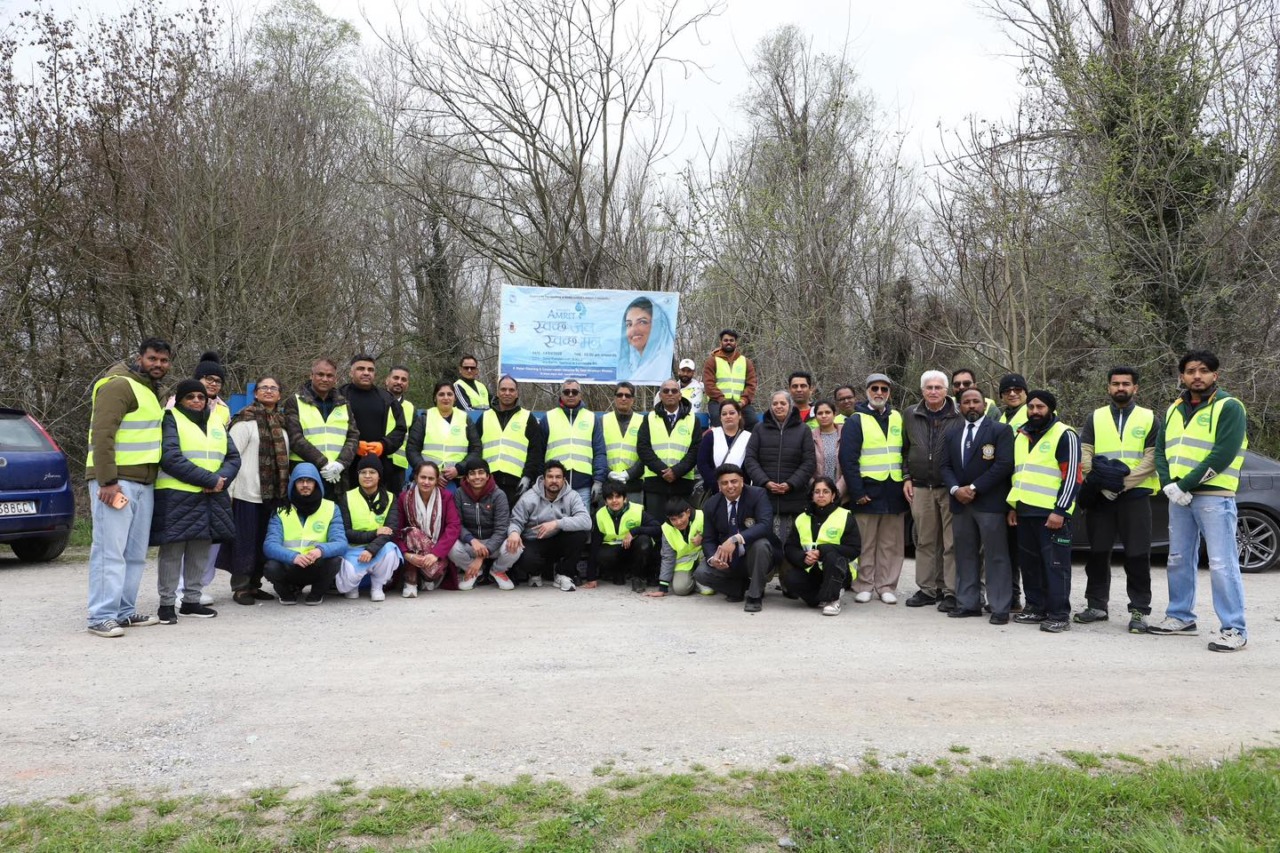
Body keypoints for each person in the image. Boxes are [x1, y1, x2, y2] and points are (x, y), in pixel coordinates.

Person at [1150, 351, 1250, 652]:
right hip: (1178, 496)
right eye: (1191, 371)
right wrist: (1169, 484)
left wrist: (1184, 484)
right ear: (1182, 376)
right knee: (1178, 558)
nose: (1197, 376)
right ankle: (1180, 616)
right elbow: (1161, 450)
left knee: (1221, 563)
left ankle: (1234, 628)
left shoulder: (1229, 407)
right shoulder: (1174, 408)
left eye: (1204, 370)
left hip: (1214, 495)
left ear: (1215, 375)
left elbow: (1223, 453)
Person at [85, 337, 172, 638]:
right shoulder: (118, 385)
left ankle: (123, 611)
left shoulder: (149, 390)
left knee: (134, 553)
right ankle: (101, 615)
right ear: (140, 358)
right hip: (116, 481)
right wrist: (108, 481)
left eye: (163, 360)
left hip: (143, 482)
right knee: (110, 551)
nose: (158, 365)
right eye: (152, 359)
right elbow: (103, 434)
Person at [1075, 367, 1159, 633]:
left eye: (1125, 384)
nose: (1120, 388)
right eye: (1115, 384)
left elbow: (1152, 458)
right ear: (1108, 387)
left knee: (1137, 554)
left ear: (1136, 388)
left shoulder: (1149, 418)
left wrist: (1121, 484)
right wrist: (1100, 483)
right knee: (1098, 553)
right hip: (1101, 498)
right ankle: (1097, 605)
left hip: (1135, 495)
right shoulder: (1095, 417)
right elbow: (1085, 453)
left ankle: (1139, 610)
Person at [151, 378, 241, 623]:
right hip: (178, 495)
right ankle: (167, 604)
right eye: (190, 397)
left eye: (201, 397)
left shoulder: (216, 421)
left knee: (200, 550)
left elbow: (233, 457)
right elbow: (170, 457)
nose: (197, 401)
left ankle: (191, 600)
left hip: (212, 496)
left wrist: (222, 479)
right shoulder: (170, 419)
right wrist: (210, 480)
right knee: (172, 552)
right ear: (180, 400)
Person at [1008, 390, 1082, 634]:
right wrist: (1013, 506)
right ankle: (1035, 607)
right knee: (1030, 565)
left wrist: (1060, 510)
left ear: (1050, 408)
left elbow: (1072, 476)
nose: (1035, 411)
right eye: (1031, 407)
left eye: (1040, 407)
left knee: (1056, 565)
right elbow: (1018, 475)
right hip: (1025, 511)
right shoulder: (1022, 435)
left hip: (1053, 514)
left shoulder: (1065, 434)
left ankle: (1059, 614)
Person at [940, 387, 1014, 623]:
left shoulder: (1000, 430)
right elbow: (944, 466)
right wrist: (955, 489)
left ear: (984, 405)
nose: (971, 406)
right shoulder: (952, 433)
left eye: (976, 401)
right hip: (960, 504)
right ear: (960, 406)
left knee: (996, 556)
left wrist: (973, 488)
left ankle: (1000, 606)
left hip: (989, 503)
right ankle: (968, 603)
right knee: (965, 555)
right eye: (966, 402)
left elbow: (1003, 465)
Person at [839, 373, 909, 605]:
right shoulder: (856, 420)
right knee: (866, 542)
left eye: (884, 389)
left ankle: (886, 585)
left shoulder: (898, 417)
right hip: (867, 491)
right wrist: (857, 492)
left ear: (889, 393)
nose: (879, 393)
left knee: (891, 543)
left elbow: (906, 453)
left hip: (894, 490)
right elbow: (848, 460)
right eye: (875, 388)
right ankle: (865, 584)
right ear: (867, 391)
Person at [221, 375, 290, 606]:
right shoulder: (244, 421)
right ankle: (240, 587)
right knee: (244, 542)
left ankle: (255, 584)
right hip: (246, 493)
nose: (269, 391)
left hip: (273, 496)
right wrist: (228, 492)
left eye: (274, 388)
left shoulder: (283, 422)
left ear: (280, 394)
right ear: (256, 393)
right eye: (264, 388)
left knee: (263, 542)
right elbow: (230, 458)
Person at [902, 370, 963, 612]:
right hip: (920, 487)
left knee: (951, 543)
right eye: (929, 387)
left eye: (938, 387)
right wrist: (906, 477)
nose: (934, 391)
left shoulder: (958, 415)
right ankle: (927, 589)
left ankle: (950, 591)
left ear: (947, 391)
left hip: (949, 487)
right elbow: (904, 449)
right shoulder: (910, 414)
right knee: (925, 540)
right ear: (922, 390)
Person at [744, 391, 816, 587]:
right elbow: (750, 460)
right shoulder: (759, 429)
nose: (778, 406)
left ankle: (788, 583)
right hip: (765, 497)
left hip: (794, 498)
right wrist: (765, 482)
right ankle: (762, 580)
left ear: (790, 405)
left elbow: (809, 462)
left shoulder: (803, 430)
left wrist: (791, 483)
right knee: (766, 542)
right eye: (775, 403)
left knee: (790, 544)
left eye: (783, 403)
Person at [262, 463, 348, 605]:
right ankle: (286, 594)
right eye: (300, 481)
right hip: (290, 565)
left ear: (317, 483)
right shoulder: (281, 510)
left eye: (310, 480)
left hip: (316, 564)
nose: (305, 484)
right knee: (271, 567)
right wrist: (293, 557)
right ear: (293, 484)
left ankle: (317, 593)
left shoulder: (331, 507)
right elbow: (269, 545)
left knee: (335, 561)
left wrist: (320, 551)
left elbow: (341, 543)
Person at [693, 464, 775, 612]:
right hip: (729, 561)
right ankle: (739, 588)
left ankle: (754, 596)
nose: (730, 486)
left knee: (761, 544)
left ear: (742, 481)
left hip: (755, 557)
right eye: (725, 483)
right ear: (719, 486)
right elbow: (709, 538)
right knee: (701, 572)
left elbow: (765, 525)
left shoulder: (758, 494)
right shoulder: (711, 504)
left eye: (734, 481)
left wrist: (735, 539)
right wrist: (713, 559)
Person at [505, 461, 592, 590]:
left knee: (579, 535)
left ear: (564, 479)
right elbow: (515, 521)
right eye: (550, 477)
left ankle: (563, 574)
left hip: (558, 539)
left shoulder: (572, 496)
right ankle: (535, 573)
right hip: (534, 540)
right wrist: (514, 533)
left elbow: (586, 521)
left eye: (558, 477)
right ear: (543, 479)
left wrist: (556, 523)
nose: (554, 480)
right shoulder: (529, 497)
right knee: (523, 555)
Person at [783, 477, 860, 615]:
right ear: (812, 495)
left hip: (839, 571)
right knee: (791, 579)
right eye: (817, 491)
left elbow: (854, 549)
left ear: (833, 495)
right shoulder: (801, 518)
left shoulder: (845, 516)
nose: (821, 495)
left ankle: (833, 599)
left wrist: (822, 550)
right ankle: (819, 598)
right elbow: (790, 547)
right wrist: (803, 557)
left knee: (831, 557)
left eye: (825, 491)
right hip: (812, 570)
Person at [283, 358, 359, 496]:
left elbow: (353, 436)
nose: (325, 379)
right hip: (305, 472)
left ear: (335, 379)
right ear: (311, 375)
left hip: (337, 474)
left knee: (334, 515)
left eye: (329, 375)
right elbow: (295, 438)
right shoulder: (295, 401)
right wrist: (323, 463)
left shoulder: (343, 404)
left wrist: (341, 463)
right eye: (320, 374)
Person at [335, 456, 402, 602]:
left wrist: (371, 549)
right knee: (346, 587)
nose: (367, 476)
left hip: (377, 547)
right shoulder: (347, 497)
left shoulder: (390, 498)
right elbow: (345, 532)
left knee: (391, 550)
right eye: (363, 472)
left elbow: (391, 531)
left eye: (372, 472)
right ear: (357, 475)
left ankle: (377, 586)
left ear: (379, 476)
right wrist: (374, 533)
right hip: (353, 548)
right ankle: (354, 585)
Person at [449, 459, 520, 591]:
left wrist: (481, 557)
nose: (477, 477)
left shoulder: (498, 495)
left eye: (481, 473)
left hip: (494, 543)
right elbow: (456, 524)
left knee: (516, 545)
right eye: (472, 473)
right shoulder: (459, 493)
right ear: (467, 478)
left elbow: (501, 528)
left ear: (488, 476)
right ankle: (475, 571)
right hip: (471, 543)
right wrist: (472, 540)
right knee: (450, 546)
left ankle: (498, 570)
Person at [339, 354, 407, 491]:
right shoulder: (339, 396)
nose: (366, 373)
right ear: (351, 372)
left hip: (379, 466)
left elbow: (401, 429)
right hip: (345, 467)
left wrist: (384, 445)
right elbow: (329, 428)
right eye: (361, 369)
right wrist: (353, 446)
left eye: (370, 370)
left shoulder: (387, 398)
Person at [393, 461, 462, 595]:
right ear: (416, 478)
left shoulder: (445, 497)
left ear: (437, 480)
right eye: (423, 477)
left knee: (433, 572)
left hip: (436, 553)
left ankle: (426, 577)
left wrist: (435, 554)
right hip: (411, 552)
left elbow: (453, 526)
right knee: (412, 532)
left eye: (431, 478)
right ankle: (411, 578)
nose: (426, 482)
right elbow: (397, 529)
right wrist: (407, 554)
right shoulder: (404, 498)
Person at [637, 379, 702, 520]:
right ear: (660, 395)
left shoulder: (693, 420)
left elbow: (695, 450)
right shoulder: (649, 418)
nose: (670, 394)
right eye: (666, 391)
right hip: (655, 483)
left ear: (680, 395)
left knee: (681, 528)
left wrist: (676, 471)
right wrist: (663, 471)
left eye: (674, 390)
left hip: (682, 483)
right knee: (655, 528)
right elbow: (643, 448)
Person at [479, 375, 546, 509]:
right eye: (503, 389)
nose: (507, 393)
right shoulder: (485, 417)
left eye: (511, 390)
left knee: (514, 525)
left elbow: (535, 451)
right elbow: (475, 449)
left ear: (517, 393)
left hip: (517, 485)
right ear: (497, 392)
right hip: (488, 483)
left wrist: (527, 476)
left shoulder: (528, 418)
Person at [587, 481, 660, 591]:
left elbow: (658, 529)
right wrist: (591, 577)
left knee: (644, 542)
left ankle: (638, 578)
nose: (614, 501)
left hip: (634, 550)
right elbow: (595, 545)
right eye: (610, 498)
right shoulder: (600, 515)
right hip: (615, 552)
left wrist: (634, 531)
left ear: (625, 498)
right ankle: (617, 572)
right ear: (606, 501)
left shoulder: (636, 511)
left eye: (618, 497)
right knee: (602, 554)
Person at [406, 381, 482, 487]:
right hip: (428, 481)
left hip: (458, 481)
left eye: (449, 394)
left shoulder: (465, 419)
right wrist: (429, 473)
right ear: (435, 398)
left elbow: (476, 449)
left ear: (455, 398)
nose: (446, 397)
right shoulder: (424, 418)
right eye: (441, 394)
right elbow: (412, 449)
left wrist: (459, 469)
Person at [997, 372, 1030, 611]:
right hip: (1003, 490)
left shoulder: (1035, 415)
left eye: (1017, 389)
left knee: (1025, 551)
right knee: (1008, 550)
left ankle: (1035, 601)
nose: (1012, 393)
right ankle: (1013, 597)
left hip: (1026, 491)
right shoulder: (1001, 419)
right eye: (1007, 390)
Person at [544, 379, 605, 509]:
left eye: (574, 392)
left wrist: (598, 481)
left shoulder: (592, 418)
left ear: (580, 395)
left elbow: (599, 452)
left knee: (581, 526)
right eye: (566, 392)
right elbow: (538, 452)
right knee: (554, 526)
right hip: (554, 486)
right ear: (561, 395)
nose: (570, 395)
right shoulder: (548, 417)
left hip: (583, 485)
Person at [648, 497, 705, 597]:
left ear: (688, 512)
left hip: (703, 556)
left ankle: (702, 579)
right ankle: (696, 580)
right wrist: (663, 588)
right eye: (673, 519)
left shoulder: (702, 516)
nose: (678, 522)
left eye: (681, 516)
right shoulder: (666, 529)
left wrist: (703, 537)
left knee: (708, 589)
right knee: (680, 589)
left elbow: (717, 535)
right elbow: (668, 557)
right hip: (685, 562)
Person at [599, 381, 645, 502]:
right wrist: (608, 473)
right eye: (619, 395)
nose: (623, 398)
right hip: (608, 484)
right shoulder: (603, 421)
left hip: (634, 485)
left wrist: (629, 474)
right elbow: (597, 452)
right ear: (614, 398)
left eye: (627, 395)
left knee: (633, 520)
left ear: (633, 399)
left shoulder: (643, 421)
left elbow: (646, 453)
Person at [696, 399, 752, 497]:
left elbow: (751, 465)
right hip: (715, 491)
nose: (728, 416)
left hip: (742, 492)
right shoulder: (711, 435)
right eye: (724, 414)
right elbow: (702, 463)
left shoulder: (749, 437)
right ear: (720, 417)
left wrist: (739, 485)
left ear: (739, 415)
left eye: (732, 413)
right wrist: (717, 484)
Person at [702, 329, 758, 427]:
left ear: (736, 343)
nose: (728, 342)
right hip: (717, 402)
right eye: (726, 340)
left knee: (753, 421)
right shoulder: (712, 361)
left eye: (731, 340)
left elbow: (751, 385)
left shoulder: (746, 362)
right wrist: (723, 400)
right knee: (717, 419)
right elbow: (709, 385)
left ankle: (746, 442)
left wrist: (742, 402)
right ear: (721, 342)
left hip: (740, 403)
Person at [617, 296, 675, 383]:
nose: (633, 330)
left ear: (657, 326)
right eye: (629, 324)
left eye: (642, 322)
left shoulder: (661, 363)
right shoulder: (633, 366)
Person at [384, 365, 415, 487]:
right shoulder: (376, 400)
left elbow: (413, 441)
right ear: (387, 380)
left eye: (403, 379)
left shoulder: (410, 408)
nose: (399, 382)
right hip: (376, 461)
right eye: (395, 378)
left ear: (407, 384)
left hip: (398, 467)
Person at [810, 400, 846, 500]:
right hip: (818, 496)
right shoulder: (809, 436)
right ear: (816, 416)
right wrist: (818, 491)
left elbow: (849, 465)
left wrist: (836, 492)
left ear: (834, 414)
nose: (824, 416)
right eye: (820, 413)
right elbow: (807, 466)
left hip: (843, 494)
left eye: (827, 412)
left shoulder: (846, 433)